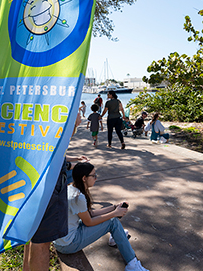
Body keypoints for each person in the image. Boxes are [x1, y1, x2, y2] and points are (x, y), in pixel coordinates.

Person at [53, 162, 149, 271]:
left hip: (62, 238)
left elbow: (91, 214)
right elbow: (88, 222)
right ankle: (132, 265)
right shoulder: (78, 197)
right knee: (112, 221)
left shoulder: (72, 188)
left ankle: (117, 235)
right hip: (68, 245)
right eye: (93, 175)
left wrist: (114, 207)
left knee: (112, 220)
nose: (96, 178)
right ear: (84, 178)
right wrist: (114, 214)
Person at [23, 113, 83, 271]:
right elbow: (57, 138)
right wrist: (73, 123)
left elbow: (54, 150)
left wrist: (74, 160)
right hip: (48, 182)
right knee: (42, 243)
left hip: (33, 174)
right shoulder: (58, 106)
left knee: (33, 235)